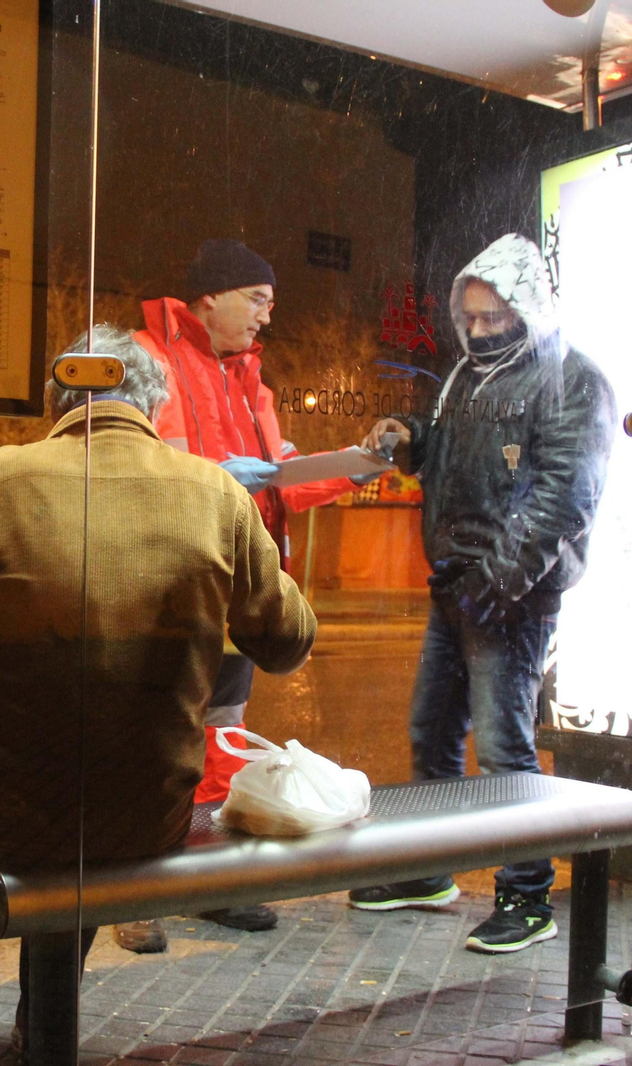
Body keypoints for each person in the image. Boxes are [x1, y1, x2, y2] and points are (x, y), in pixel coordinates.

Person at [0, 325, 317, 1066]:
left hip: (5, 800)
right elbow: (287, 642)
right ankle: (40, 1028)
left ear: (58, 401)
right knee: (100, 807)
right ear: (154, 406)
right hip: (151, 808)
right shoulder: (215, 493)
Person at [355, 233, 616, 953]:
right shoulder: (467, 377)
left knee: (504, 749)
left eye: (491, 317)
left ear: (525, 308)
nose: (475, 330)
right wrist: (411, 437)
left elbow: (562, 499)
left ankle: (527, 897)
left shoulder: (571, 379)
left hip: (511, 596)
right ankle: (427, 870)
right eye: (468, 317)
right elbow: (452, 456)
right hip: (459, 585)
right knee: (433, 733)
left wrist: (496, 585)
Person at [123, 237, 375, 950]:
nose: (267, 315)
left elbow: (280, 478)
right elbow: (131, 460)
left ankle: (211, 882)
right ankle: (131, 894)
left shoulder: (250, 380)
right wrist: (217, 474)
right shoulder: (146, 358)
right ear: (211, 298)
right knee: (154, 739)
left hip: (236, 585)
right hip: (168, 582)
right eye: (258, 300)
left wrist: (350, 468)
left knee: (221, 736)